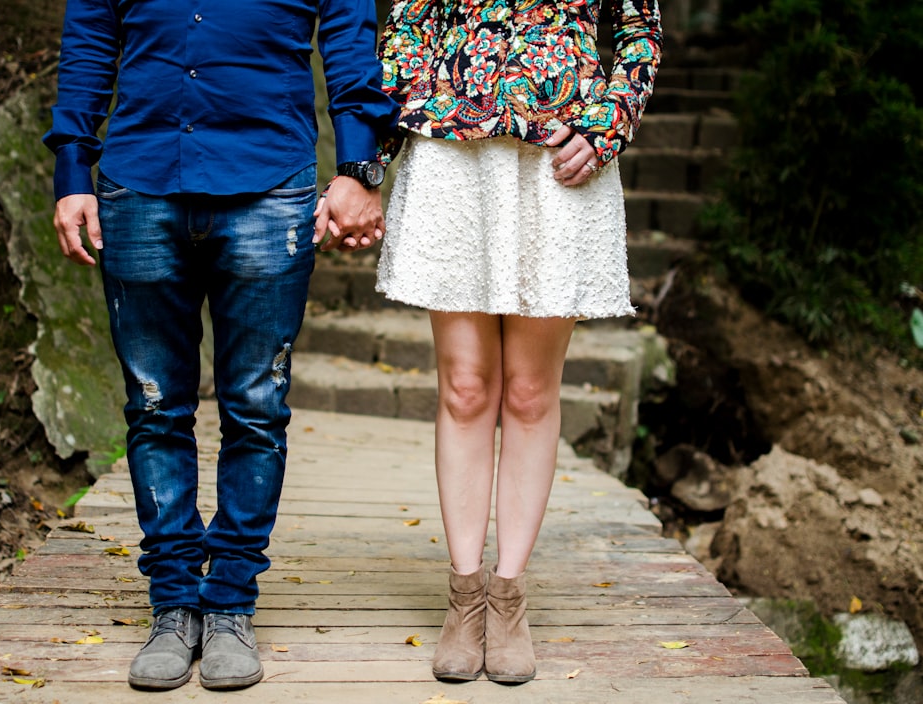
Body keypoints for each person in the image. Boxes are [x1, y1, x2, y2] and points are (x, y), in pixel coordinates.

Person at [43, 0, 397, 691]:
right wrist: (72, 172)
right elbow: (88, 38)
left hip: (269, 184)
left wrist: (358, 165)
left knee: (256, 407)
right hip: (138, 183)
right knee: (154, 407)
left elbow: (351, 40)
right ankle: (174, 601)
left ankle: (231, 601)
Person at [377, 0, 663, 684]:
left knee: (531, 394)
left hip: (560, 156)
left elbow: (639, 33)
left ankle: (508, 599)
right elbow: (407, 24)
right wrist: (427, 102)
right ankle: (465, 596)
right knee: (467, 387)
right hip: (454, 152)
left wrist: (606, 126)